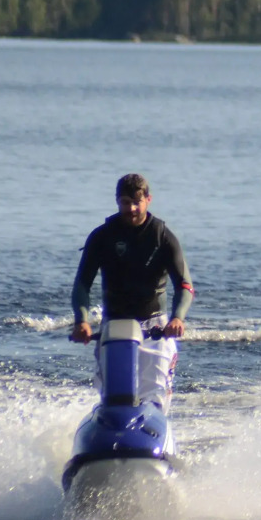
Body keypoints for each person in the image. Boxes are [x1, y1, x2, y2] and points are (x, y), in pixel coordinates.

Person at [70, 174, 194, 407]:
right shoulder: (102, 236)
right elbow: (81, 285)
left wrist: (177, 318)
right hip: (114, 327)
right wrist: (82, 321)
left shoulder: (163, 237)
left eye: (137, 201)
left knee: (154, 396)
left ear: (149, 200)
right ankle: (108, 430)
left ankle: (153, 426)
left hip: (155, 329)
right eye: (126, 202)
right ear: (117, 201)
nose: (132, 208)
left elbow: (185, 286)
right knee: (114, 398)